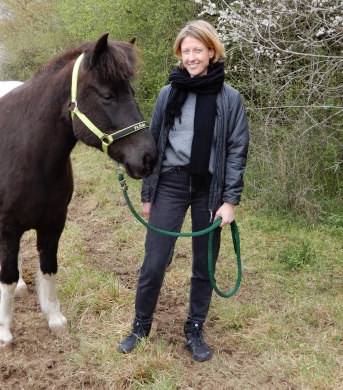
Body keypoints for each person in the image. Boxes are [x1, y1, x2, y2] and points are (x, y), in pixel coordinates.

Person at [118, 20, 249, 362]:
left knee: (203, 265)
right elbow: (153, 146)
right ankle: (140, 326)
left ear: (211, 51)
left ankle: (194, 329)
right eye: (186, 51)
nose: (191, 57)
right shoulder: (168, 93)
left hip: (210, 188)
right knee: (154, 262)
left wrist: (230, 201)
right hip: (171, 184)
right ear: (180, 54)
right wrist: (148, 195)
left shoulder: (229, 98)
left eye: (197, 50)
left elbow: (237, 149)